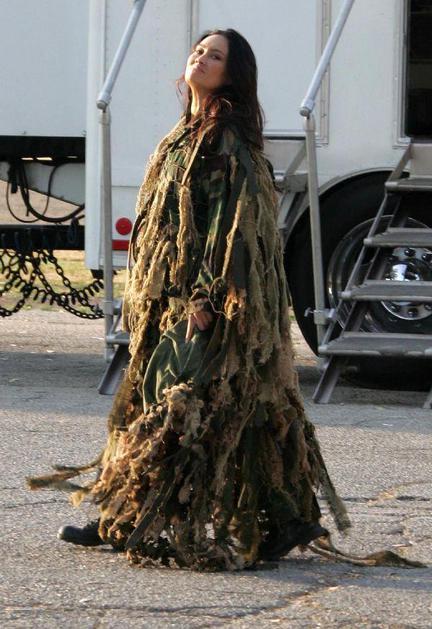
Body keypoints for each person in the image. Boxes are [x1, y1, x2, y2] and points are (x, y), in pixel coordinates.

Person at [28, 29, 350, 571]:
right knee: (234, 402)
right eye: (199, 50)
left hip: (204, 300)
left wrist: (204, 298)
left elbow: (231, 225)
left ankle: (135, 518)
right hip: (171, 294)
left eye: (214, 55)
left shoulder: (224, 137)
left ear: (232, 74)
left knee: (175, 405)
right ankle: (286, 519)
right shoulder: (187, 131)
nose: (201, 58)